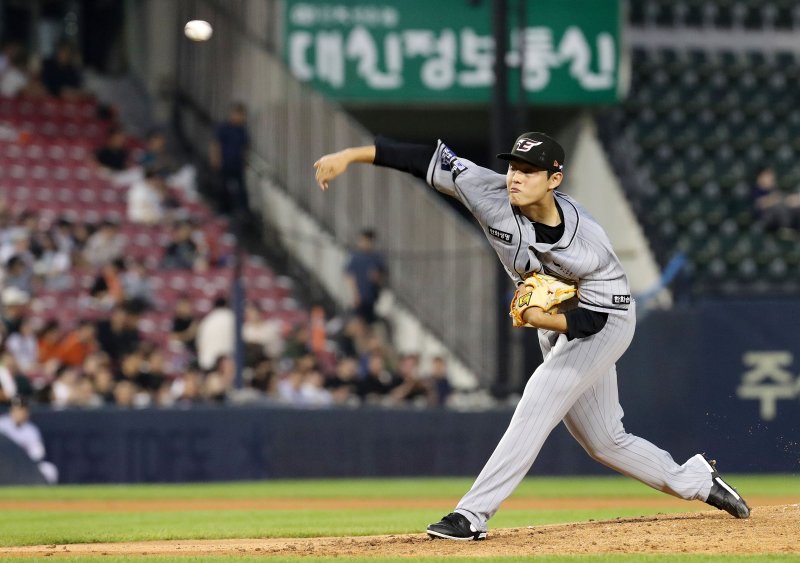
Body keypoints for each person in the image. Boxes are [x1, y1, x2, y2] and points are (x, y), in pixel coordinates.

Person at [314, 132, 751, 540]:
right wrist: (348, 156)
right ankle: (695, 479)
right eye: (512, 167)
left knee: (539, 396)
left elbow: (594, 321)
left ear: (554, 179)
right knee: (604, 441)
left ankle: (471, 515)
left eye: (528, 170)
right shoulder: (486, 190)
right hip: (555, 318)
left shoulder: (589, 243)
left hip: (605, 321)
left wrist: (544, 320)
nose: (515, 177)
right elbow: (421, 158)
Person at [0, 397, 58, 483]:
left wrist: (23, 458)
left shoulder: (31, 430)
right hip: (4, 464)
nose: (21, 413)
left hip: (24, 464)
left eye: (23, 410)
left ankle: (44, 495)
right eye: (18, 410)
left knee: (49, 469)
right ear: (11, 410)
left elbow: (38, 453)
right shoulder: (2, 424)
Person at [210, 103, 250, 218]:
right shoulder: (224, 128)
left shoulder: (242, 130)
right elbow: (216, 144)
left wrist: (244, 161)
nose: (239, 117)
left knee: (241, 189)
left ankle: (242, 211)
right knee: (222, 187)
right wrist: (215, 159)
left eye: (241, 115)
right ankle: (223, 210)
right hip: (224, 163)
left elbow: (244, 147)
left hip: (237, 164)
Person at [345, 229, 387, 325]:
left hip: (371, 297)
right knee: (358, 323)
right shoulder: (355, 257)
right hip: (359, 298)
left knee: (369, 323)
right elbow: (349, 275)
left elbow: (383, 277)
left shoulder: (377, 258)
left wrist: (378, 278)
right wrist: (355, 293)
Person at [751, 166, 800, 233]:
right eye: (768, 176)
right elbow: (759, 204)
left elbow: (784, 199)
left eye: (772, 175)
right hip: (765, 219)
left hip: (781, 216)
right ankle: (786, 230)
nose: (772, 178)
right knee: (777, 208)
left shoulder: (774, 189)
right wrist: (775, 199)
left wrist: (794, 200)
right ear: (760, 177)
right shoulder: (756, 190)